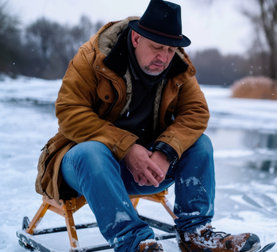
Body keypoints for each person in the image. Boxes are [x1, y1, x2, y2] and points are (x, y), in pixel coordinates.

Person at [34, 0, 261, 251]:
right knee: (92, 152)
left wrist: (166, 152)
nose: (163, 57)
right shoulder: (93, 58)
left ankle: (195, 233)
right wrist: (128, 149)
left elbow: (195, 112)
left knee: (200, 144)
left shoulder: (178, 66)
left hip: (150, 167)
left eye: (170, 49)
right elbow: (69, 112)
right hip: (85, 168)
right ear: (136, 39)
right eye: (157, 47)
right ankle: (134, 242)